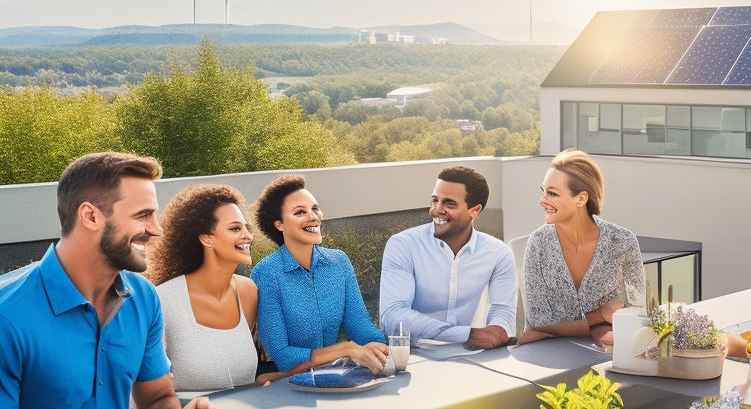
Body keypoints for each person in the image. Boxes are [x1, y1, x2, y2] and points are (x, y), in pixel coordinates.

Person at [0, 151, 221, 409]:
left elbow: (156, 400)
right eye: (143, 215)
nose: (157, 230)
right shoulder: (8, 316)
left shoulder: (143, 298)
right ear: (90, 216)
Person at [146, 184, 281, 394]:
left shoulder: (248, 292)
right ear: (206, 238)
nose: (248, 236)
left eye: (246, 228)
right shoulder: (162, 300)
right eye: (235, 228)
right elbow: (148, 391)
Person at [249, 175, 388, 374]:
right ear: (279, 224)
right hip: (287, 387)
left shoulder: (339, 262)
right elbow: (283, 356)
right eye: (300, 212)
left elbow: (361, 327)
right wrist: (346, 350)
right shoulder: (267, 273)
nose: (313, 216)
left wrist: (378, 347)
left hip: (333, 378)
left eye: (315, 208)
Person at [379, 166, 517, 349]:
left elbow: (503, 313)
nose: (436, 210)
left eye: (449, 203)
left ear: (474, 210)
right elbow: (393, 317)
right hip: (415, 358)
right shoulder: (403, 245)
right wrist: (466, 335)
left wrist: (497, 332)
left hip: (472, 356)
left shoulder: (499, 253)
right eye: (434, 200)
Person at [519, 149, 645, 349]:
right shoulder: (538, 243)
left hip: (605, 354)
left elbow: (636, 313)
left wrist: (557, 327)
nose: (542, 200)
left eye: (552, 193)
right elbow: (538, 322)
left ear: (581, 199)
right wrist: (599, 320)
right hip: (546, 353)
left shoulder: (622, 242)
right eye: (543, 191)